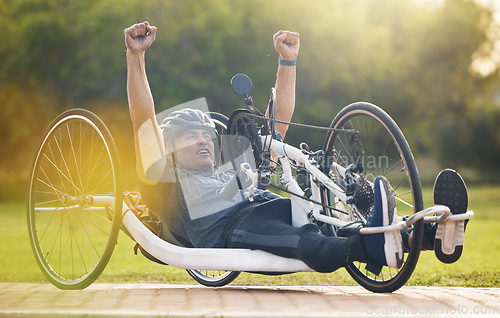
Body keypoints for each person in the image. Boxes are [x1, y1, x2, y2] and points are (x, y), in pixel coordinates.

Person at [124, 21, 467, 274]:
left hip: (273, 206)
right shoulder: (163, 182)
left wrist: (287, 62)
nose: (202, 140)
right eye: (189, 136)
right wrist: (136, 56)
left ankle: (432, 233)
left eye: (205, 135)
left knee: (328, 223)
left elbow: (277, 128)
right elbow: (144, 120)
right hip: (233, 228)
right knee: (306, 239)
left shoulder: (230, 168)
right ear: (167, 148)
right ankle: (373, 244)